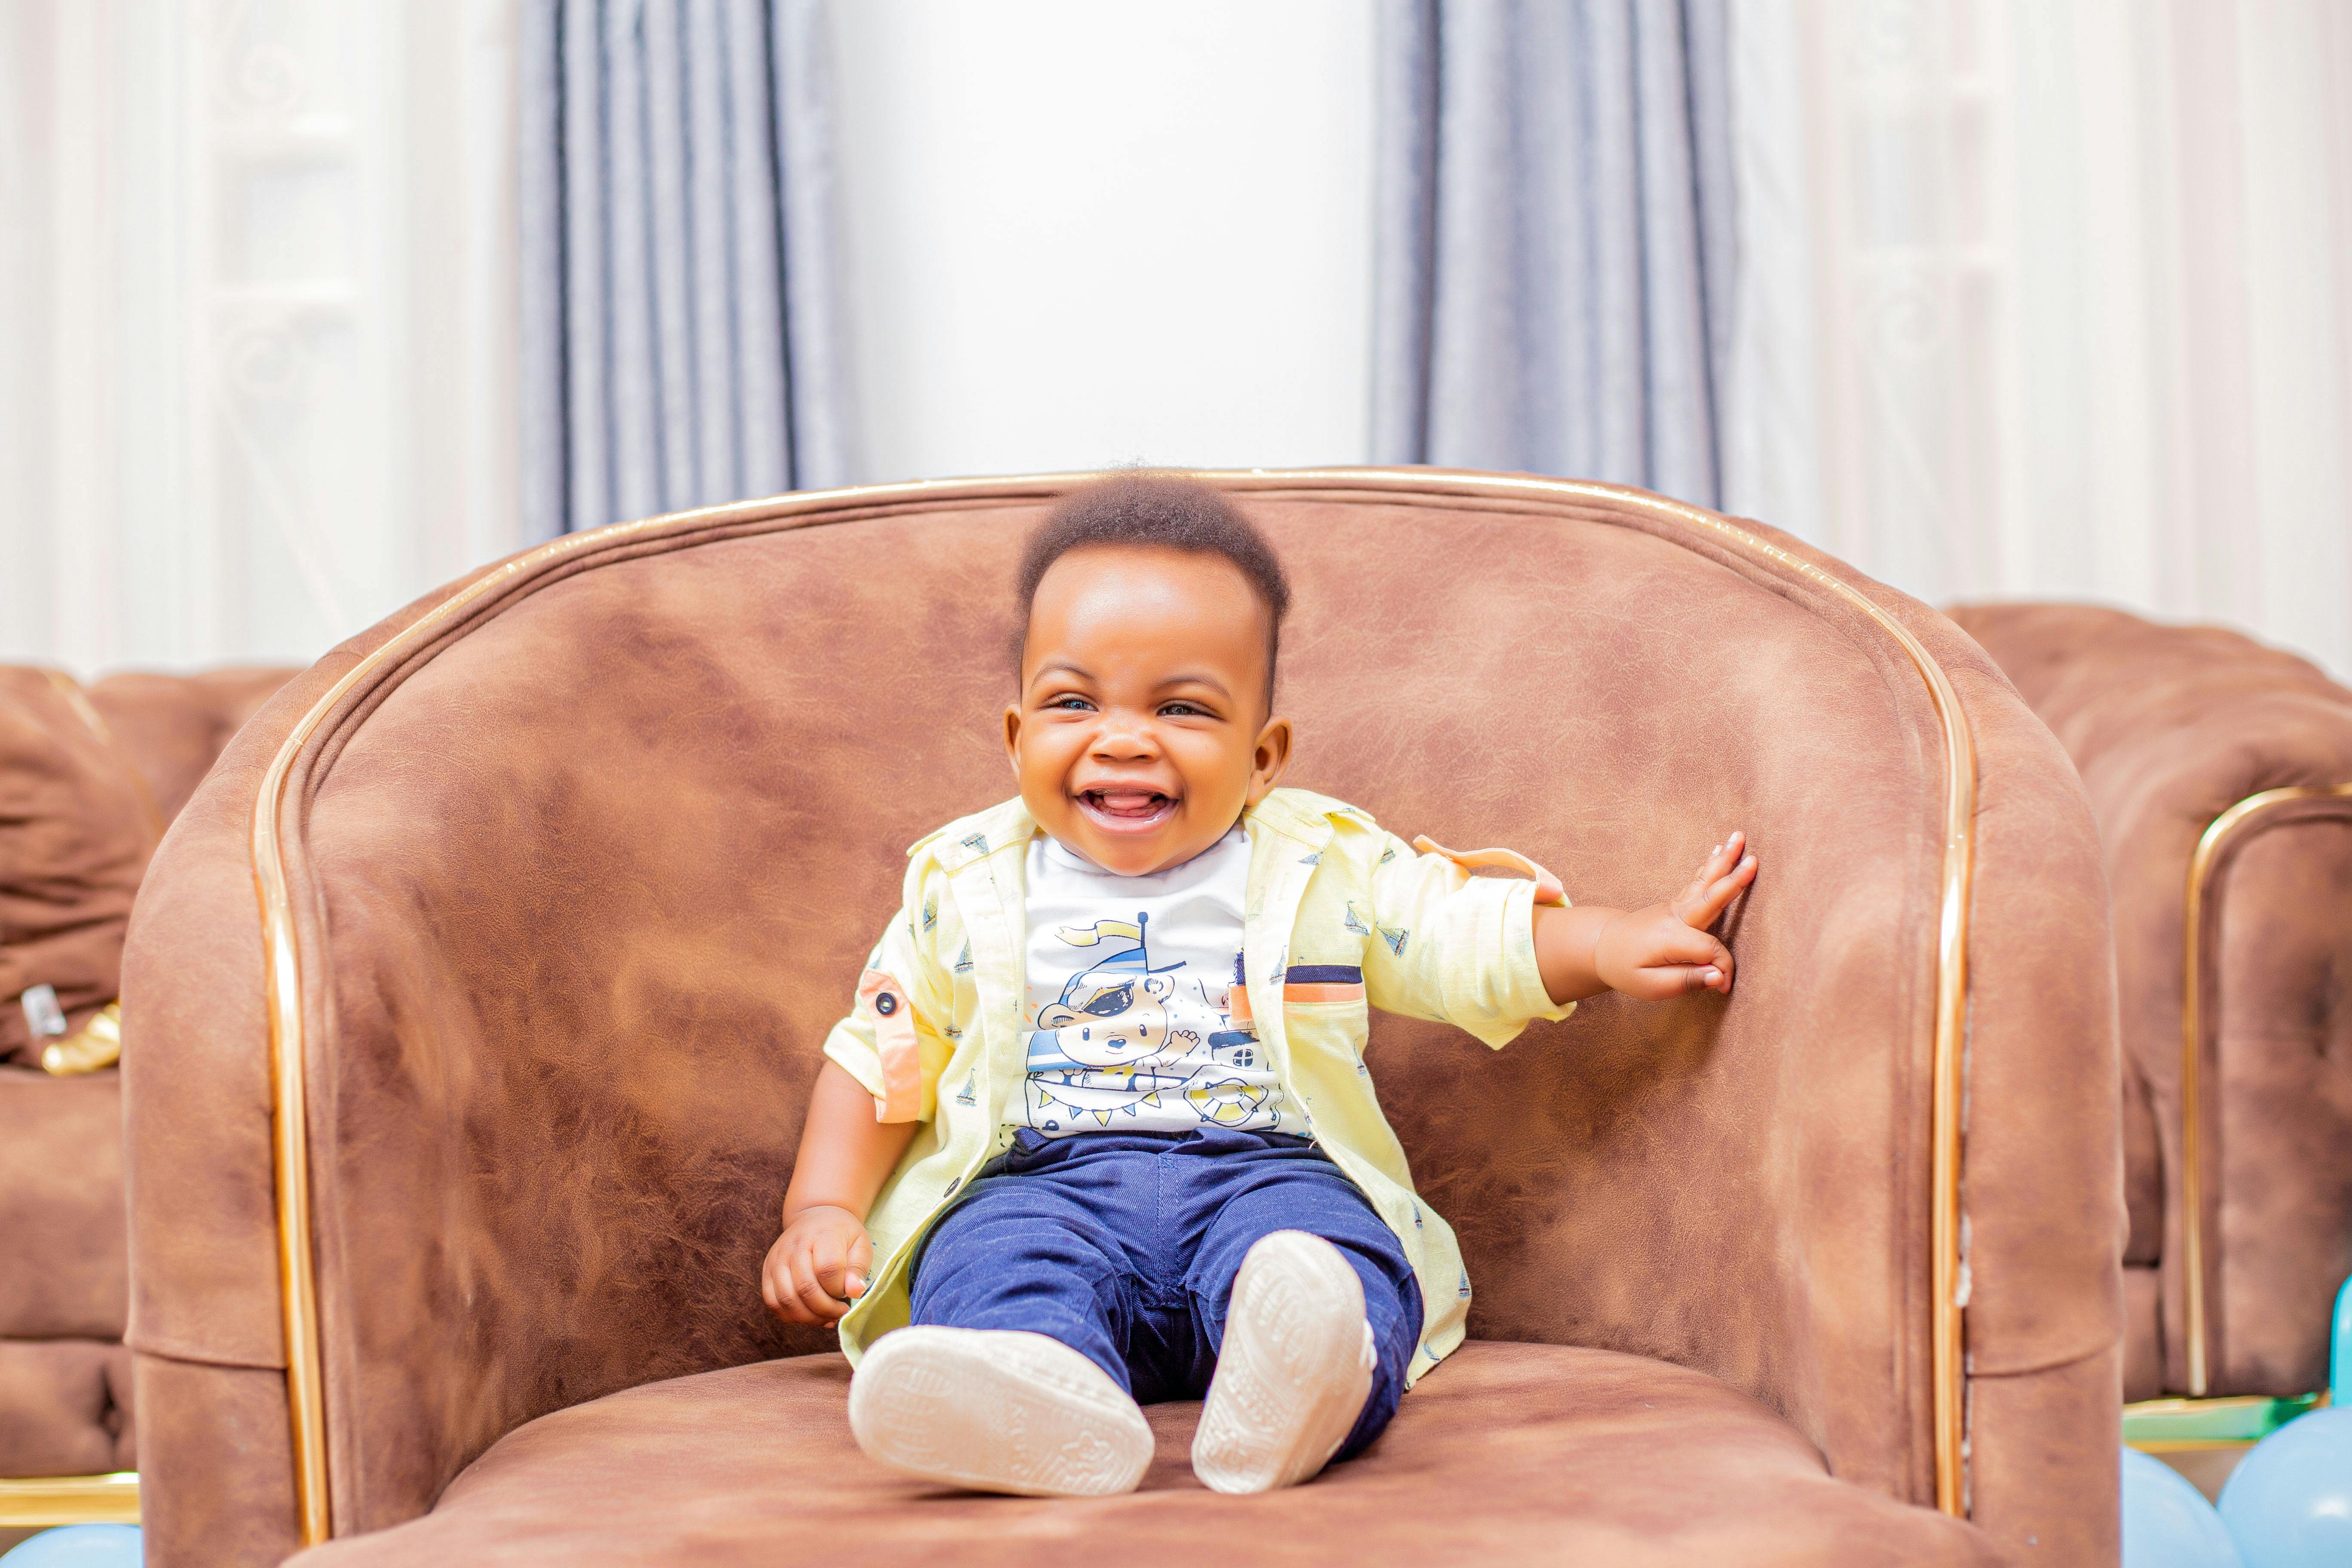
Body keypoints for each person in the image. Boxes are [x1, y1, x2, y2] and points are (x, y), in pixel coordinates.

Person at [760, 473, 1758, 1498]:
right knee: (988, 1260)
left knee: (1327, 1260)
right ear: (1017, 738)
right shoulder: (961, 887)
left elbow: (1457, 936)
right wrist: (824, 1206)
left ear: (1264, 754)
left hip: (1264, 1172)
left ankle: (1296, 1387)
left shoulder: (1317, 865)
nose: (1123, 737)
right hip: (1040, 1183)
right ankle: (1034, 1391)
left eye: (1182, 708)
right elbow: (882, 1055)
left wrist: (1607, 945)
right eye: (1074, 702)